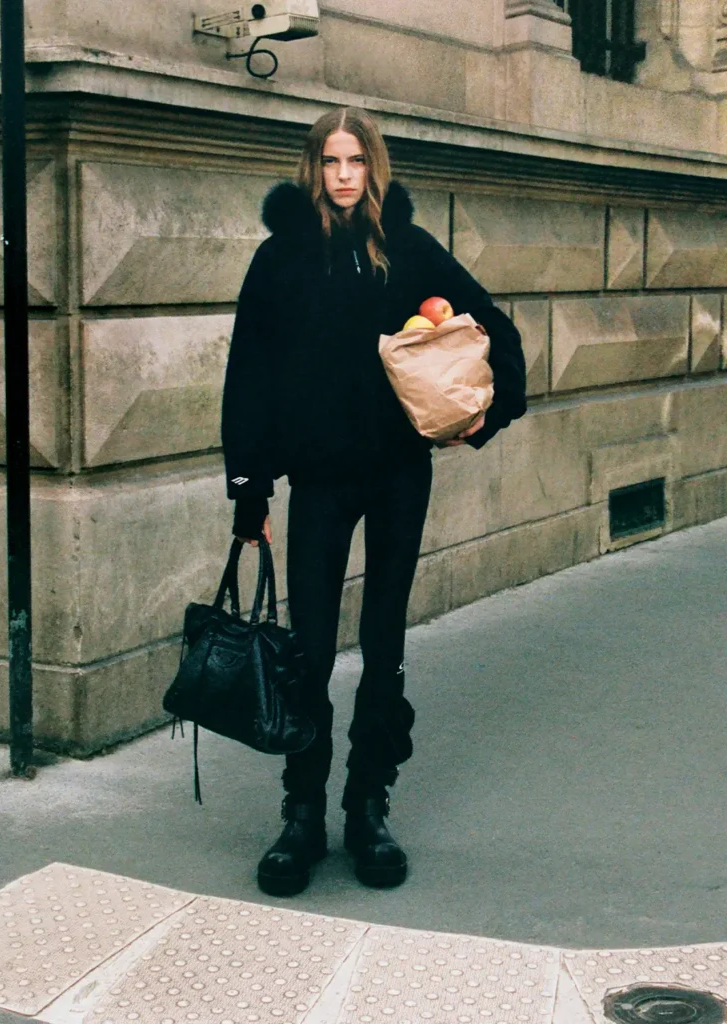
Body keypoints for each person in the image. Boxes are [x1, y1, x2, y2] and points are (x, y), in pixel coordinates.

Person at [221, 106, 526, 898]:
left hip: (397, 473)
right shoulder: (280, 259)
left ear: (374, 166)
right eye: (331, 161)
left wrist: (481, 416)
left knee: (384, 639)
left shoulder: (409, 250)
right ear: (313, 169)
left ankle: (367, 805)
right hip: (318, 480)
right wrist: (249, 485)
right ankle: (302, 814)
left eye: (357, 160)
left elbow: (491, 325)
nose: (345, 174)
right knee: (311, 648)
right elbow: (247, 372)